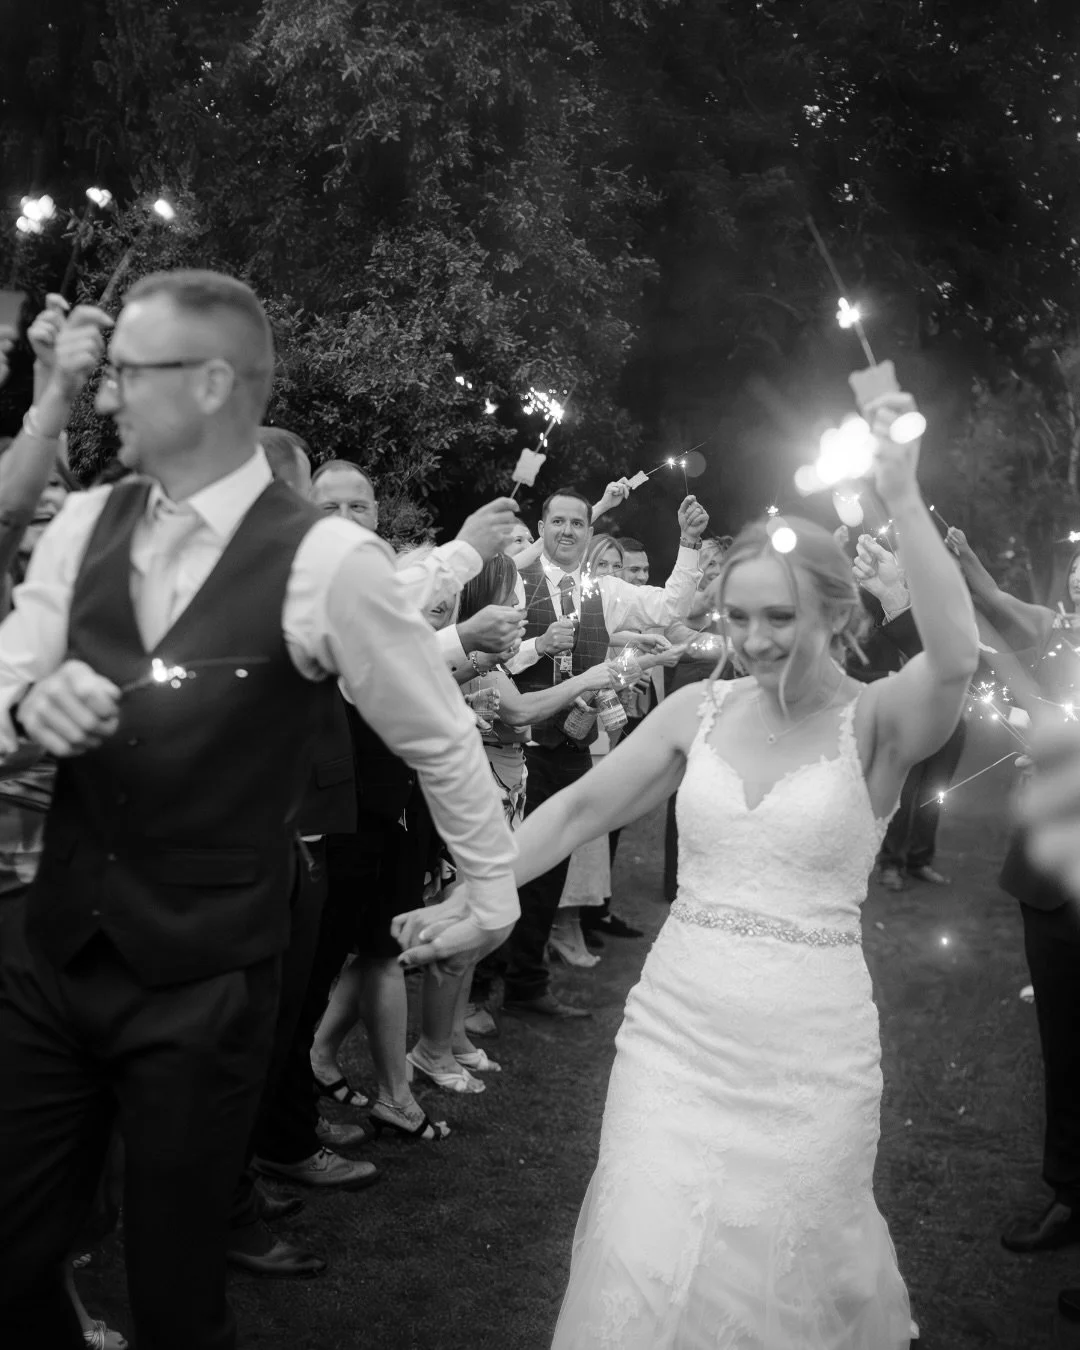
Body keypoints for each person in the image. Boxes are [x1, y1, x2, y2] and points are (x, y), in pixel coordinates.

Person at [0, 272, 519, 1350]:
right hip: (48, 957)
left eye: (127, 377)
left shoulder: (329, 561)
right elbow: (6, 673)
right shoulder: (84, 521)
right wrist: (23, 701)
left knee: (177, 1277)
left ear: (210, 385)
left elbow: (436, 733)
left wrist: (491, 886)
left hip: (208, 974)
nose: (104, 402)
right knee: (13, 1250)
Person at [397, 391, 978, 1346]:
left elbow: (953, 659)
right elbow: (579, 806)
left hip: (812, 1056)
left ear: (834, 611)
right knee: (644, 1254)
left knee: (790, 1279)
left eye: (779, 617)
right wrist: (482, 892)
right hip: (674, 1040)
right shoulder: (695, 715)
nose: (754, 640)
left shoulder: (877, 724)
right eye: (739, 617)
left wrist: (904, 497)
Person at [500, 486, 708, 1018]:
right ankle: (478, 984)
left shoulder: (606, 589)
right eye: (558, 521)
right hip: (513, 745)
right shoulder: (512, 585)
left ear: (589, 533)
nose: (568, 531)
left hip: (571, 744)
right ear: (542, 527)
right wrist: (537, 647)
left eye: (577, 523)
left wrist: (687, 543)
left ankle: (527, 983)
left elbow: (668, 607)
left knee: (551, 867)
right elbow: (485, 660)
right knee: (504, 865)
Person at [948, 527, 1080, 1256]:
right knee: (1062, 1048)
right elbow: (994, 608)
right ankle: (1069, 1193)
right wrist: (962, 559)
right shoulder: (1059, 637)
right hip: (1052, 884)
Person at [852, 535, 967, 891]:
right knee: (902, 792)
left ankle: (920, 859)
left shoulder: (944, 611)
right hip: (905, 717)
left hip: (951, 717)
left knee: (936, 793)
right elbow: (848, 666)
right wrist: (884, 679)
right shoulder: (873, 618)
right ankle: (891, 862)